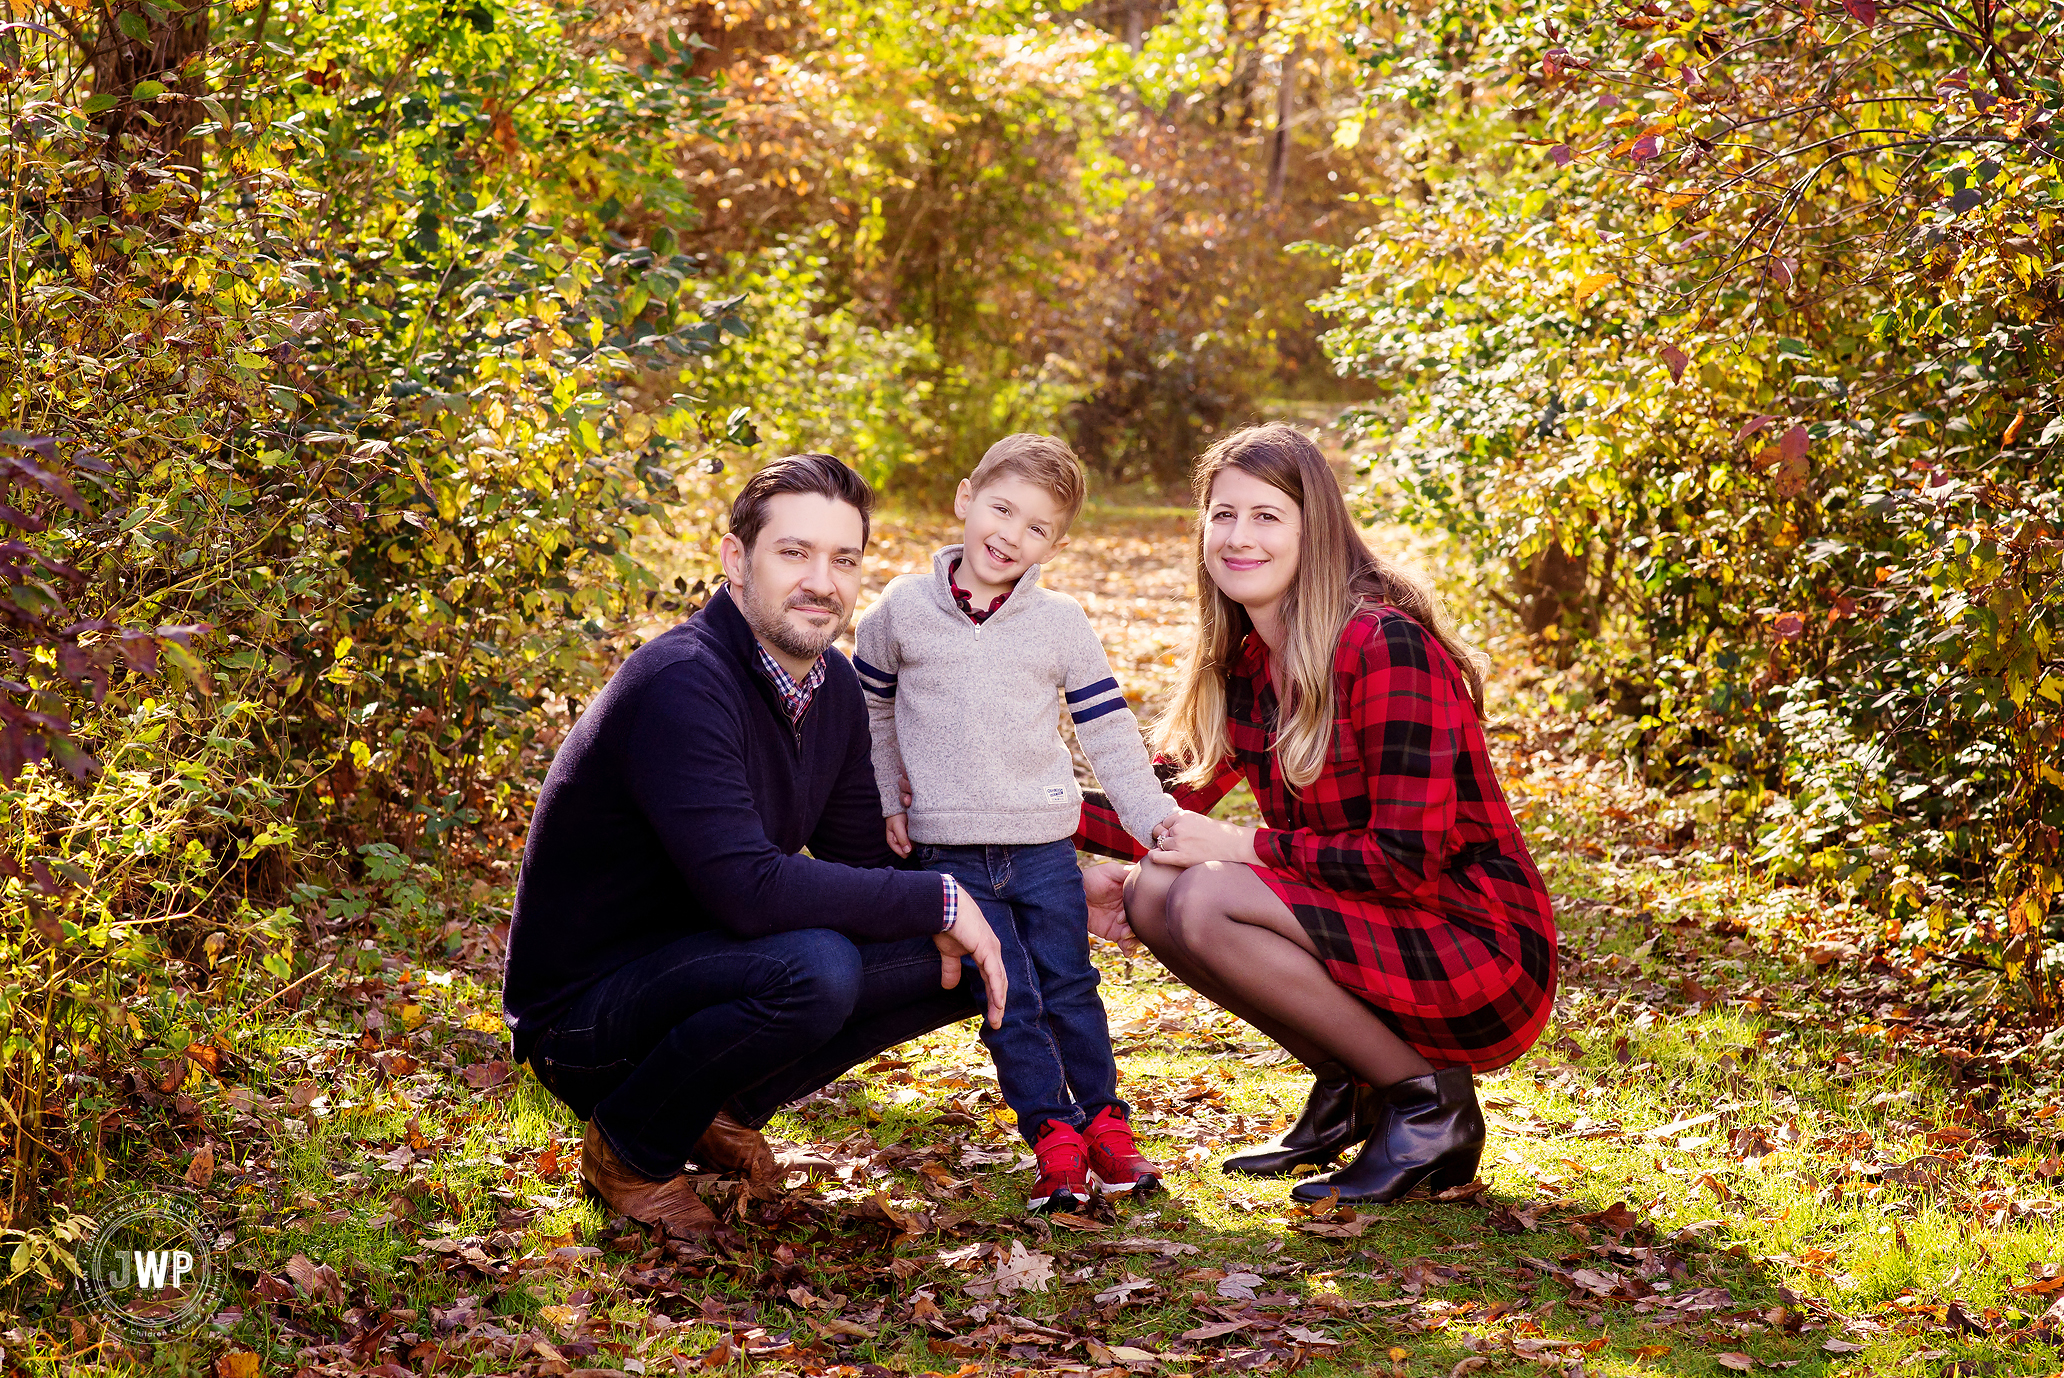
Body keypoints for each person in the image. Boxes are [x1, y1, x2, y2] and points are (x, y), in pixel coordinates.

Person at [501, 454, 1010, 1236]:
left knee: (975, 948)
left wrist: (1035, 887)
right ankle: (631, 1148)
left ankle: (713, 1107)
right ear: (736, 560)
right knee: (818, 968)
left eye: (844, 559)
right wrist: (940, 898)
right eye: (794, 552)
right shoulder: (681, 682)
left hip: (700, 970)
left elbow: (865, 866)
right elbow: (749, 889)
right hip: (585, 1019)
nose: (822, 581)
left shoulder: (830, 688)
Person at [1077, 423, 1557, 1204]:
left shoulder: (1382, 646)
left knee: (1203, 892)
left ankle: (1429, 1109)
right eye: (1223, 515)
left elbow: (1405, 861)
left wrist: (1242, 844)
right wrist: (1002, 799)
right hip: (1378, 922)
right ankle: (1354, 1085)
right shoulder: (1250, 661)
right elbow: (1156, 808)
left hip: (1475, 941)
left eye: (1267, 516)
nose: (1239, 537)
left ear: (1314, 529)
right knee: (1150, 892)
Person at [854, 434, 1178, 1214]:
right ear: (967, 499)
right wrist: (888, 801)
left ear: (1056, 545)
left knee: (1071, 986)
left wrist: (1153, 822)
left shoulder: (1060, 622)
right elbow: (871, 710)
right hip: (950, 854)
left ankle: (1104, 1123)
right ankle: (1054, 1139)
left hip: (1043, 847)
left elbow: (1105, 730)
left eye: (1037, 527)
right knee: (1010, 999)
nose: (1011, 535)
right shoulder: (901, 609)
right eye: (1002, 509)